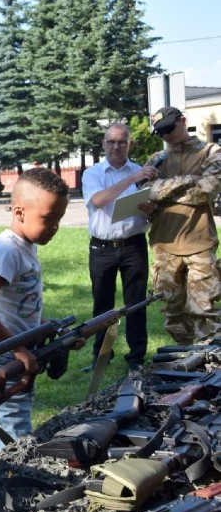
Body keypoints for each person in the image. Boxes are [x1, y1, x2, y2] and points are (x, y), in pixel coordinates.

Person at [0, 168, 74, 455]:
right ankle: (9, 493)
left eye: (59, 218)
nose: (55, 226)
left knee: (15, 435)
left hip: (18, 357)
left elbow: (18, 308)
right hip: (2, 361)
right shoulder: (7, 250)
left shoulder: (25, 247)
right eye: (49, 218)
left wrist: (50, 328)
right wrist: (18, 347)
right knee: (14, 444)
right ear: (19, 212)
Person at [81, 123, 155, 371]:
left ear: (129, 144)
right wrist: (132, 178)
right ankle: (100, 357)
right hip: (102, 248)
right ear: (103, 144)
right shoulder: (93, 173)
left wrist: (152, 209)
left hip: (133, 245)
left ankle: (136, 359)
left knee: (135, 304)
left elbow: (154, 209)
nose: (116, 146)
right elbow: (100, 200)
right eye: (111, 141)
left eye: (121, 142)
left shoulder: (142, 172)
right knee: (102, 305)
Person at [145, 106, 221, 344]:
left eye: (168, 128)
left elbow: (207, 191)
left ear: (183, 121)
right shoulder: (157, 159)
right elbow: (145, 193)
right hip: (164, 246)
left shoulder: (210, 152)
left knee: (204, 311)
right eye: (160, 132)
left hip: (199, 244)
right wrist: (189, 180)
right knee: (173, 314)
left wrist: (163, 191)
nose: (165, 135)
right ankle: (187, 359)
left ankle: (210, 363)